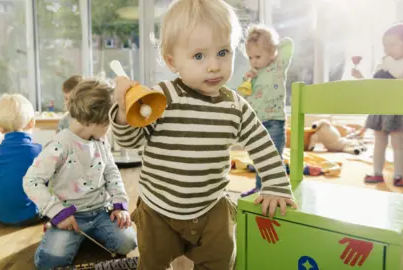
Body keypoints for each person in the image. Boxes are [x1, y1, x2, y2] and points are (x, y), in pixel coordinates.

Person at [110, 0, 296, 269]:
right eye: (199, 56)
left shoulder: (235, 106)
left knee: (221, 259)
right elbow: (129, 141)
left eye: (223, 52)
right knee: (153, 262)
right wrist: (124, 113)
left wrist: (276, 184)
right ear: (172, 61)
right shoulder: (162, 98)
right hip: (159, 208)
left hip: (211, 206)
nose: (213, 66)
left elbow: (262, 142)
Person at [23, 77, 137, 270]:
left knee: (129, 242)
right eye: (109, 122)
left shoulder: (101, 141)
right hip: (71, 217)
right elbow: (31, 181)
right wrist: (58, 212)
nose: (110, 128)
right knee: (49, 262)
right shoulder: (60, 145)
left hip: (101, 212)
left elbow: (111, 171)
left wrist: (120, 203)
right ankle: (61, 232)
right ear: (97, 120)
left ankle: (85, 236)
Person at [239, 25, 294, 196]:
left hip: (275, 122)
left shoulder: (278, 66)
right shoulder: (253, 74)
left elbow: (288, 44)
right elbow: (244, 95)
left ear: (271, 53)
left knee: (274, 159)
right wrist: (247, 79)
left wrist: (272, 48)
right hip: (257, 123)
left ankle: (277, 190)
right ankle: (260, 188)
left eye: (258, 56)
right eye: (250, 57)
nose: (253, 61)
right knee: (259, 158)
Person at [351, 23, 403, 187]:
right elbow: (374, 86)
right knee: (379, 143)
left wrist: (387, 63)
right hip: (380, 109)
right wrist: (361, 77)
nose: (387, 50)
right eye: (385, 45)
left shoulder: (397, 64)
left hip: (398, 109)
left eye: (392, 45)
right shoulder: (383, 64)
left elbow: (397, 75)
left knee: (398, 144)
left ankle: (398, 175)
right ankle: (377, 173)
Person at [0, 93, 42, 225]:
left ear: (0, 128)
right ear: (32, 123)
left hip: (0, 218)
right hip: (31, 215)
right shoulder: (39, 151)